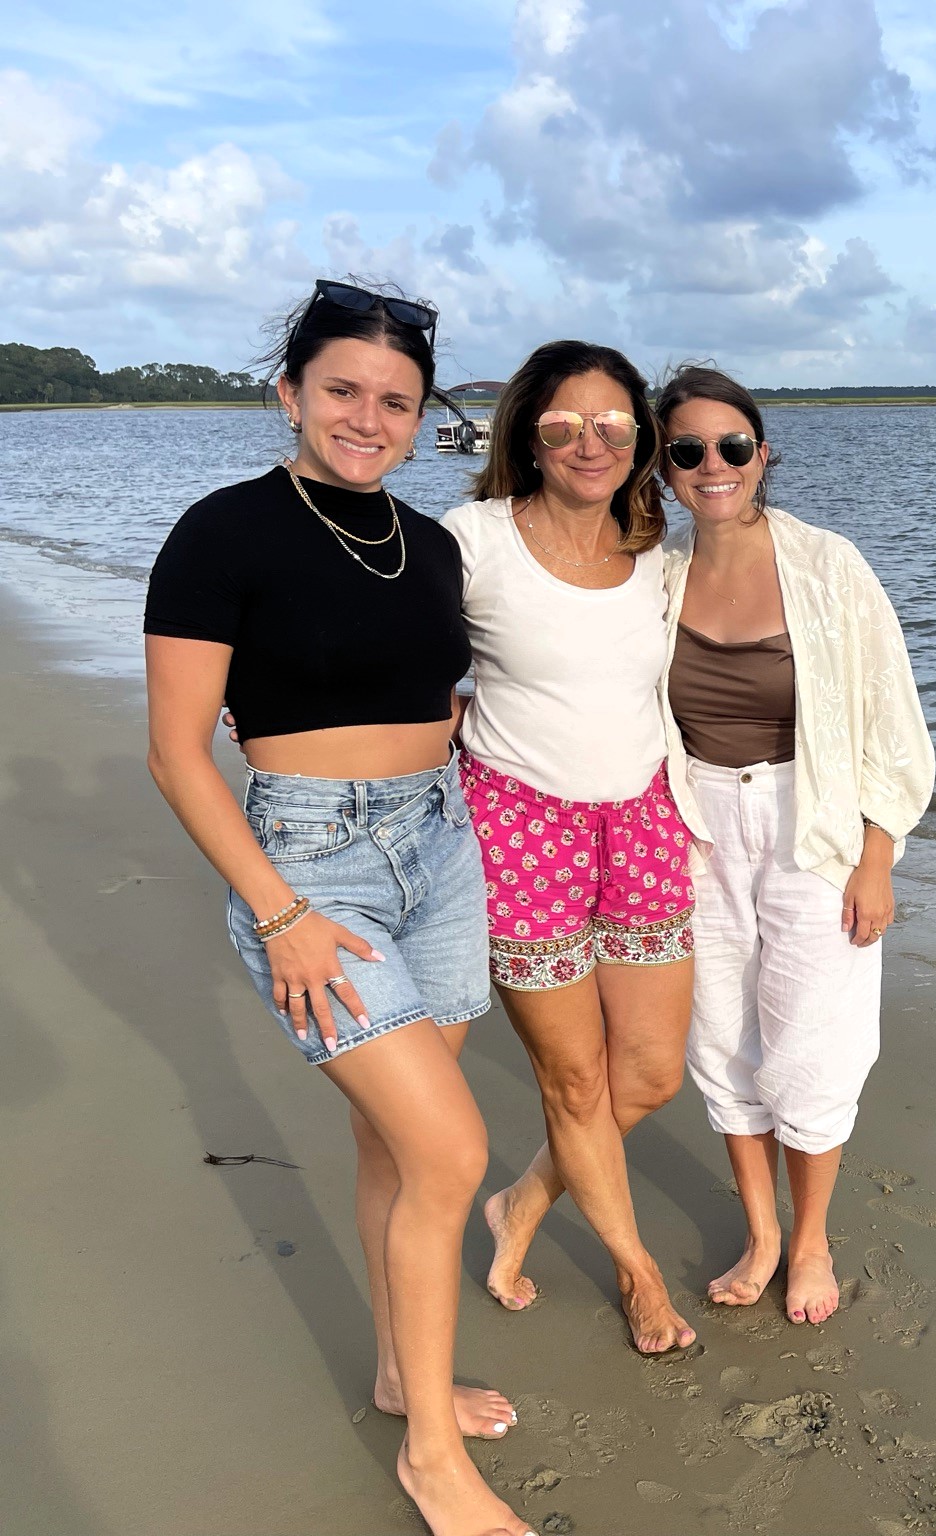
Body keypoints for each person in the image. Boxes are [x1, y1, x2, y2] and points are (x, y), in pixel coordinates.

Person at [144, 279, 532, 1536]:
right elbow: (177, 753)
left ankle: (392, 1372)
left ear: (423, 419)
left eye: (396, 402)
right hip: (314, 870)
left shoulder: (429, 544)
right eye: (343, 391)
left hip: (442, 844)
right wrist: (279, 914)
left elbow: (446, 701)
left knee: (394, 1149)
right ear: (290, 393)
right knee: (452, 1152)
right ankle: (430, 1456)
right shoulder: (221, 533)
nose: (369, 418)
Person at [654, 365, 934, 1325]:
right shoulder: (652, 573)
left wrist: (878, 856)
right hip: (691, 827)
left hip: (810, 825)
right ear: (663, 466)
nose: (713, 465)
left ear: (763, 455)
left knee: (814, 1044)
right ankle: (762, 1232)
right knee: (722, 1040)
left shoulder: (829, 566)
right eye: (687, 450)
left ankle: (810, 1239)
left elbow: (891, 721)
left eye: (733, 446)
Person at [444, 341, 698, 1355]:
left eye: (611, 425)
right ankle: (637, 1276)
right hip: (520, 822)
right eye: (562, 424)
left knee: (647, 1074)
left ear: (638, 440)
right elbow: (378, 637)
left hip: (642, 818)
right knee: (575, 1082)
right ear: (526, 434)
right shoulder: (473, 539)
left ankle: (521, 1203)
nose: (587, 443)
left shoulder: (655, 553)